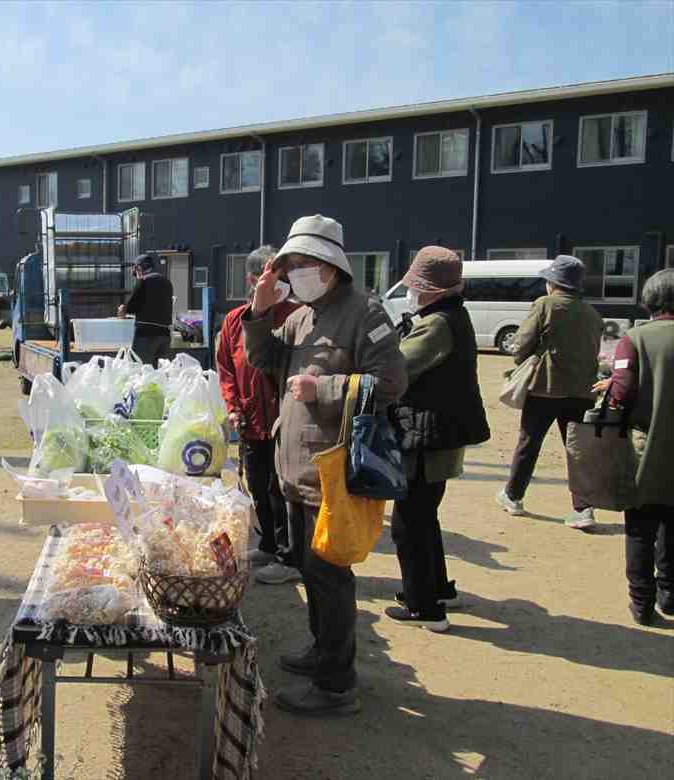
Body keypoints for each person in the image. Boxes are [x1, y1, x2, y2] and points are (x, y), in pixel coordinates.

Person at [244, 215, 407, 716]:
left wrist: (325, 389)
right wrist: (259, 310)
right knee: (310, 573)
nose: (296, 273)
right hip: (295, 470)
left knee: (330, 577)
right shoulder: (300, 316)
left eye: (303, 263)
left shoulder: (365, 313)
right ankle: (322, 650)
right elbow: (263, 360)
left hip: (332, 473)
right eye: (290, 265)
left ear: (330, 265)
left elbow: (392, 383)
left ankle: (336, 685)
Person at [385, 247, 491, 632]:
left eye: (416, 287)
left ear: (433, 290)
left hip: (426, 438)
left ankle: (424, 607)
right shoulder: (453, 316)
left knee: (408, 523)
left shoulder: (436, 325)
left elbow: (397, 368)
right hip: (439, 434)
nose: (412, 292)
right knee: (425, 517)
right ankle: (438, 590)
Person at [496, 256, 603, 529]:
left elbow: (522, 343)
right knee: (577, 448)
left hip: (545, 387)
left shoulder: (545, 304)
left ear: (553, 283)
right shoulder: (592, 313)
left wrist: (523, 361)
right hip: (582, 391)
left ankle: (513, 496)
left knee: (529, 443)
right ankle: (583, 509)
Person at [216, 245, 302, 584]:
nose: (281, 284)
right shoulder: (235, 320)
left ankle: (288, 556)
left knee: (283, 491)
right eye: (272, 276)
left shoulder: (297, 316)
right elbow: (226, 369)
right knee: (258, 487)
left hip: (285, 423)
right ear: (254, 281)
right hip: (251, 421)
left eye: (285, 277)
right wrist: (233, 407)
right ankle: (267, 544)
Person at [595, 269, 674, 626]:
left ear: (649, 299)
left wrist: (610, 388)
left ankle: (642, 604)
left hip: (646, 450)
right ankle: (670, 596)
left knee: (641, 528)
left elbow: (622, 394)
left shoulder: (635, 338)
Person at [117, 252, 174, 366]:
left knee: (138, 369)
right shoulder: (167, 282)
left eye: (136, 271)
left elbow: (132, 307)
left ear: (139, 268)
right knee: (160, 372)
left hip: (146, 334)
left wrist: (123, 309)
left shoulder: (144, 281)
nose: (136, 275)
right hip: (165, 335)